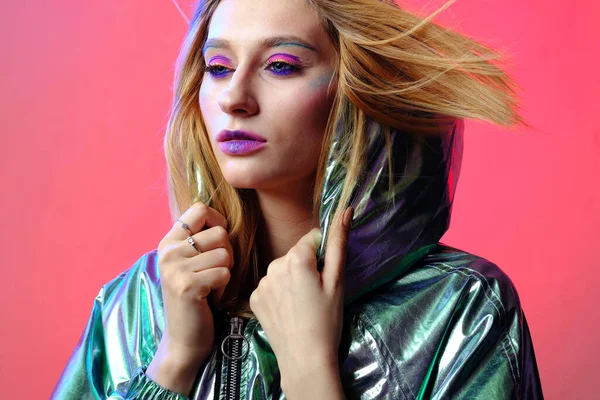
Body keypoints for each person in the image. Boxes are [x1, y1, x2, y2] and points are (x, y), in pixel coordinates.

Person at [52, 0, 543, 398]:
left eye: (281, 65)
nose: (234, 98)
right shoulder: (137, 301)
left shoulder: (458, 308)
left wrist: (311, 374)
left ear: (355, 87)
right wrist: (173, 362)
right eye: (219, 67)